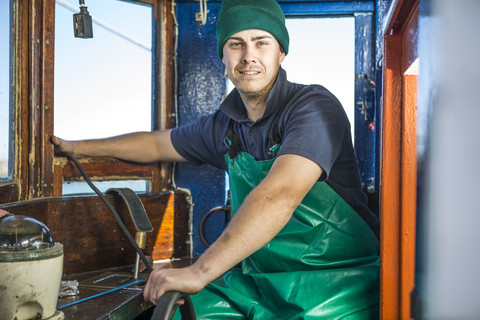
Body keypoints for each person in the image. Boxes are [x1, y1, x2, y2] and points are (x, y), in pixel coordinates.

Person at [52, 0, 380, 318]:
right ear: (223, 55)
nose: (248, 56)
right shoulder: (222, 126)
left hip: (337, 282)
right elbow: (154, 145)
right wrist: (77, 147)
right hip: (255, 283)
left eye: (261, 43)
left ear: (281, 52)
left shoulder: (313, 106)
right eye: (236, 44)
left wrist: (200, 271)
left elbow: (280, 194)